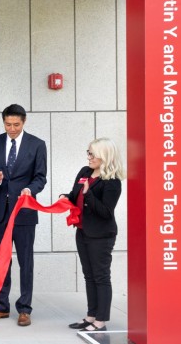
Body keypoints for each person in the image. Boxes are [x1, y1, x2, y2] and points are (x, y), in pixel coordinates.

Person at [0, 104, 47, 327]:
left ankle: (24, 308)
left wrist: (31, 190)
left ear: (24, 121)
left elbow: (40, 176)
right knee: (0, 261)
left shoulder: (37, 145)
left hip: (24, 211)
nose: (11, 129)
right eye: (8, 124)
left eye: (16, 125)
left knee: (25, 261)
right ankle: (1, 306)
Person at [61, 138, 125, 332]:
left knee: (101, 277)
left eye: (92, 154)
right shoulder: (84, 172)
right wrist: (65, 197)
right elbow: (75, 195)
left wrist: (89, 194)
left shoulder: (112, 182)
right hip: (82, 231)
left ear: (104, 156)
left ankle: (101, 320)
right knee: (89, 276)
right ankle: (91, 316)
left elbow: (106, 212)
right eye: (88, 152)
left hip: (101, 235)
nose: (88, 157)